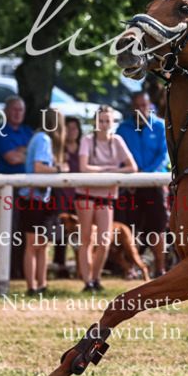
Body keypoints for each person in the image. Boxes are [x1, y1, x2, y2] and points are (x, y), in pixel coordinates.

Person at [77, 106, 137, 292]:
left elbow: (131, 167)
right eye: (100, 121)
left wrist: (108, 171)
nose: (103, 125)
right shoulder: (87, 140)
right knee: (86, 239)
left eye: (107, 121)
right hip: (86, 194)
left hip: (107, 195)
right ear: (95, 122)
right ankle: (87, 281)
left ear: (112, 122)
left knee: (104, 240)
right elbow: (83, 167)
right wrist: (108, 170)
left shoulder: (117, 140)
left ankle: (96, 278)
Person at [115, 91, 170, 277]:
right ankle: (132, 268)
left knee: (158, 228)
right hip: (131, 185)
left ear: (150, 106)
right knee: (131, 229)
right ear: (132, 107)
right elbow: (119, 155)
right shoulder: (123, 129)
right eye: (137, 105)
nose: (140, 108)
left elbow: (165, 155)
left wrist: (147, 173)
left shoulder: (161, 127)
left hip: (155, 183)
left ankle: (160, 269)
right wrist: (134, 174)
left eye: (144, 105)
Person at [20, 107, 67, 295]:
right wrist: (59, 170)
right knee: (33, 245)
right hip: (33, 198)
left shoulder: (40, 138)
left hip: (41, 198)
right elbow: (38, 168)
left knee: (42, 244)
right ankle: (32, 287)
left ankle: (42, 285)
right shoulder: (43, 139)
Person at [0, 96, 34, 279]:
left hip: (29, 186)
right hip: (8, 187)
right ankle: (9, 269)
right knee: (11, 228)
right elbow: (12, 158)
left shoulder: (28, 131)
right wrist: (27, 153)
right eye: (14, 110)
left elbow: (34, 155)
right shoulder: (0, 132)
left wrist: (22, 152)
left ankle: (24, 268)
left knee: (28, 228)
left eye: (21, 110)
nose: (18, 114)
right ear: (7, 111)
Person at [52, 116, 83, 279]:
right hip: (63, 194)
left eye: (75, 128)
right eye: (69, 128)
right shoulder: (60, 149)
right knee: (62, 231)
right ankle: (61, 265)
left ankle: (81, 265)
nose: (72, 132)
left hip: (80, 195)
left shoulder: (83, 148)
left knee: (81, 231)